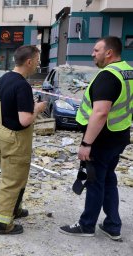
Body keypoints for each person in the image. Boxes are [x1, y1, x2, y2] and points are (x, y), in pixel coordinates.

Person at [60, 36, 133, 241]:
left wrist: (86, 143)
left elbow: (100, 112)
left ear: (108, 53)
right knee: (108, 179)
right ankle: (112, 225)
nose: (92, 54)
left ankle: (87, 225)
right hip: (119, 135)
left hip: (101, 140)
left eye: (96, 50)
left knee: (94, 181)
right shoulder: (128, 72)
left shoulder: (108, 76)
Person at [0, 45, 47, 234]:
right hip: (15, 139)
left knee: (16, 176)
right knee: (12, 180)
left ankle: (14, 209)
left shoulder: (5, 78)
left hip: (2, 134)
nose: (38, 64)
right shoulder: (22, 86)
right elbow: (25, 120)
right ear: (29, 62)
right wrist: (38, 108)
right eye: (37, 60)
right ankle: (2, 224)